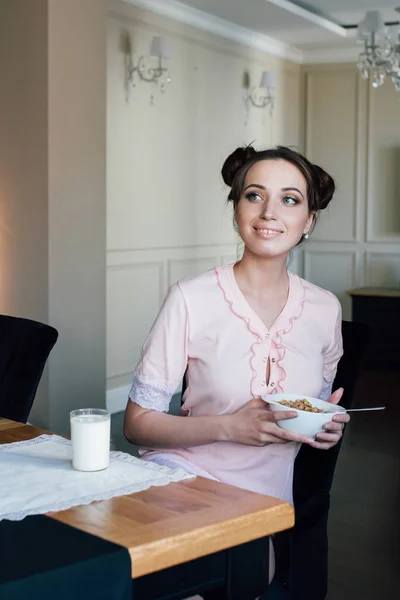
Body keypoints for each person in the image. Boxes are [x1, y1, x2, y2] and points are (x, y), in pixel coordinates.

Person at [124, 145, 350, 590]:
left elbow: (304, 413)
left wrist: (322, 425)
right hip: (184, 479)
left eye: (289, 199)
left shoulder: (325, 309)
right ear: (236, 210)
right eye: (253, 195)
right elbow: (137, 425)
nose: (269, 211)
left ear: (308, 221)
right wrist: (231, 427)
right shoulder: (190, 297)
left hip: (263, 499)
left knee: (242, 577)